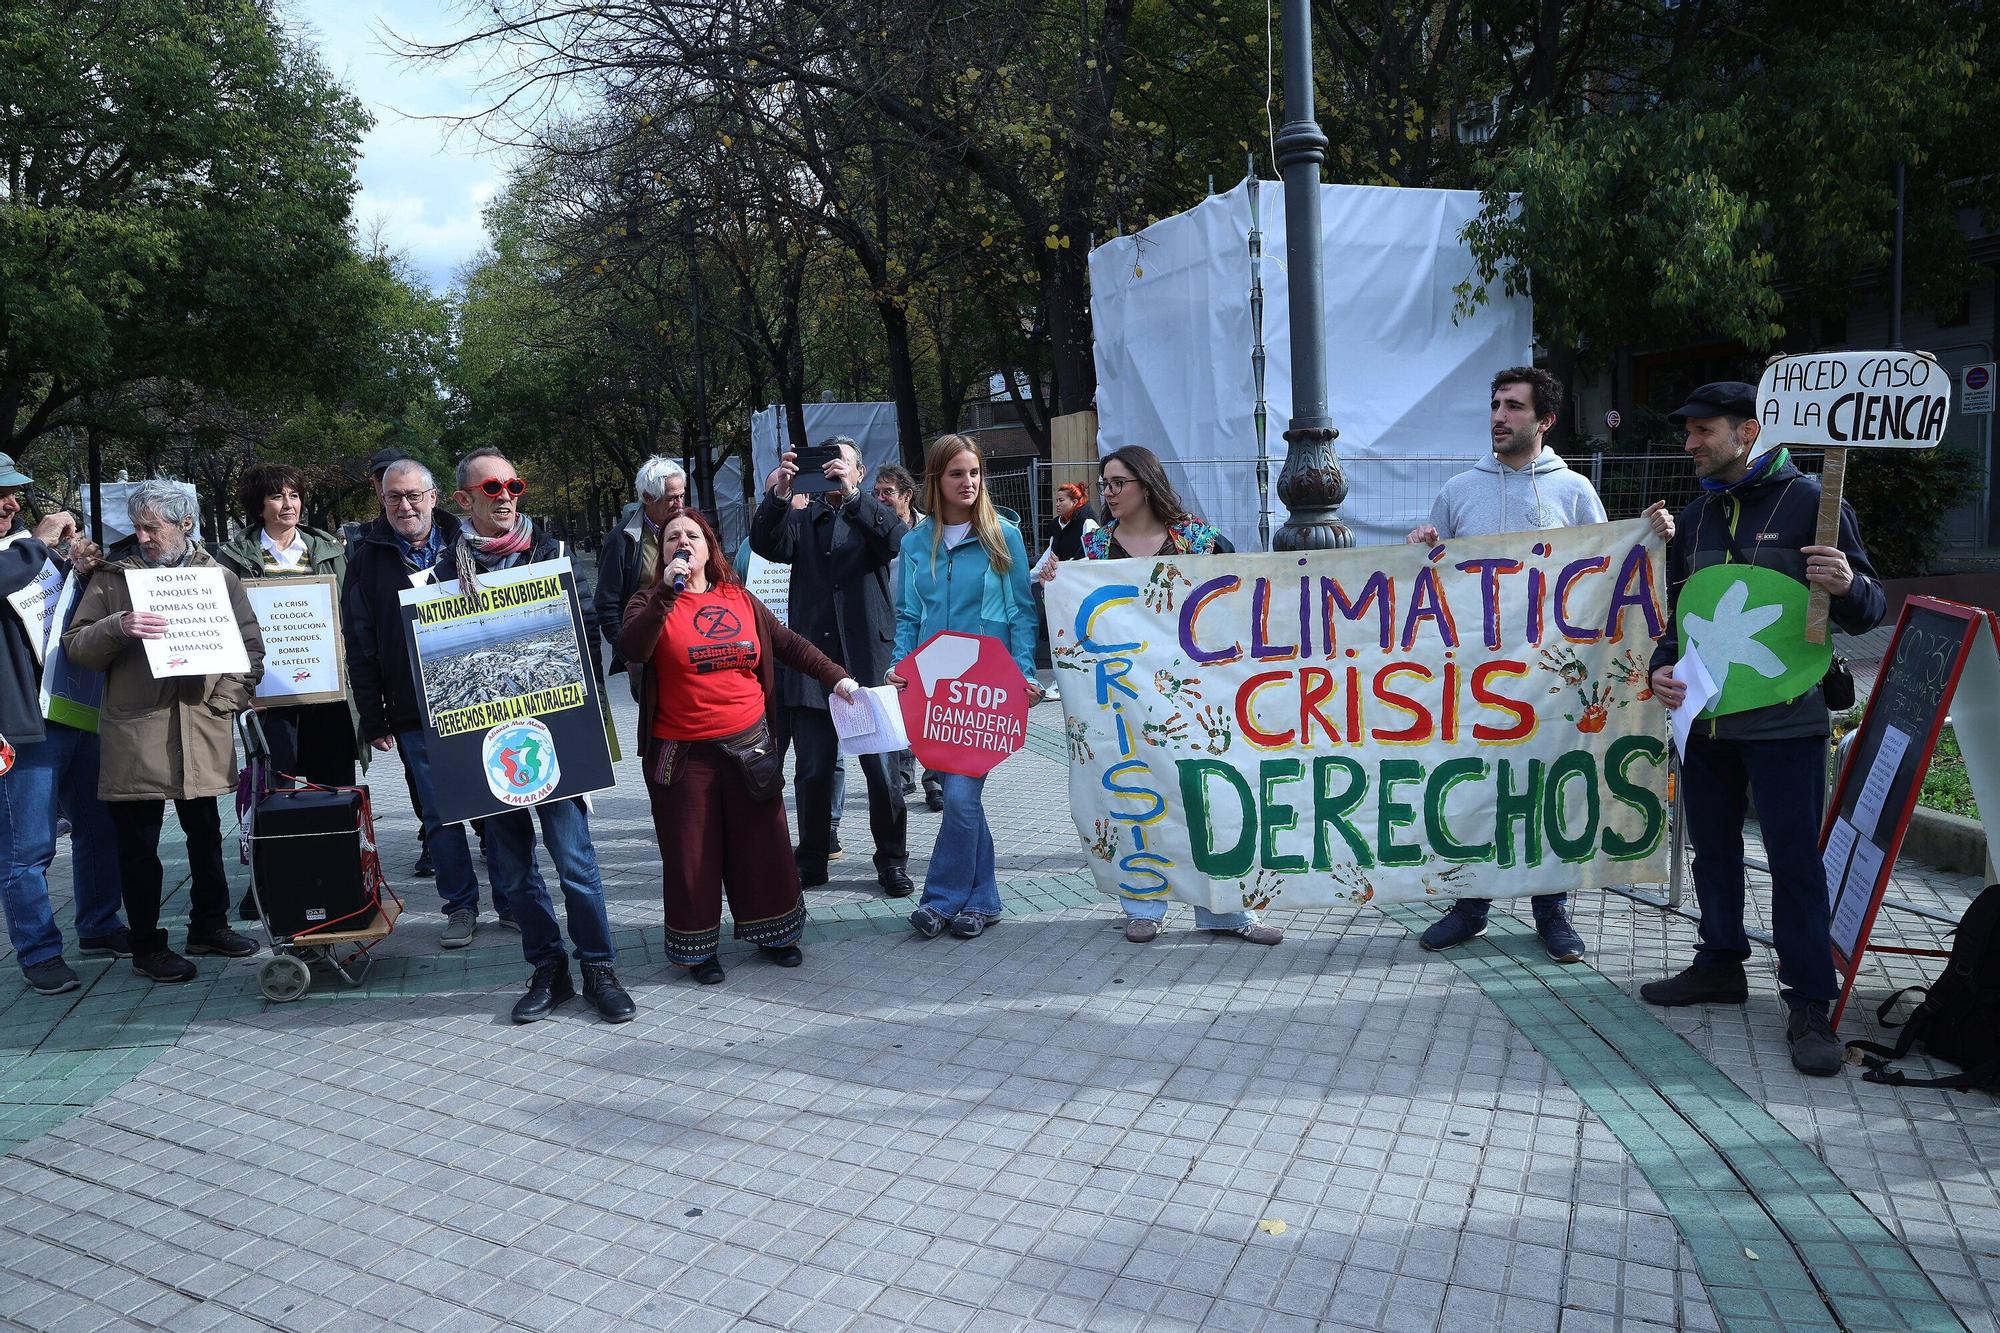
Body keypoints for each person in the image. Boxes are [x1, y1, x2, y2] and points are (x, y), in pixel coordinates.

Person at [1641, 381, 1884, 1077]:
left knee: (1794, 864)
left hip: (1786, 719)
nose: (1689, 443)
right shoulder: (1695, 516)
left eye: (1702, 430)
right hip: (1707, 720)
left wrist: (1846, 584)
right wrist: (1662, 667)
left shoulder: (1815, 503)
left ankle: (1810, 1001)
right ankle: (1720, 961)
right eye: (1687, 431)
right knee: (1711, 852)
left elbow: (1870, 608)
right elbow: (1679, 617)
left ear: (1749, 430)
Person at [1404, 366, 1671, 964]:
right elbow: (1435, 579)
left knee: (1550, 788)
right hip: (1477, 678)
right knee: (1477, 789)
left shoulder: (1573, 491)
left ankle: (1552, 910)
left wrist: (1650, 537)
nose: (1499, 416)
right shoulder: (1457, 492)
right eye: (1495, 404)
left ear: (1544, 420)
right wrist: (1421, 546)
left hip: (1554, 678)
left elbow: (1608, 566)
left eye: (1514, 407)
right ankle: (1471, 906)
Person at [1040, 444, 1280, 945]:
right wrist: (1052, 582)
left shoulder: (1197, 539)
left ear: (1145, 484)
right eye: (1103, 484)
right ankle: (1143, 903)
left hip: (1195, 701)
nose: (1107, 493)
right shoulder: (1096, 549)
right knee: (1134, 795)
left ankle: (1226, 910)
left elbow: (1240, 593)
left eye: (1116, 483)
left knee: (1207, 799)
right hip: (1124, 702)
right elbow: (1068, 604)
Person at [430, 448, 633, 1024]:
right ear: (463, 499)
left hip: (555, 736)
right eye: (490, 487)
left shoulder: (555, 556)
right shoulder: (441, 574)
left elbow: (586, 643)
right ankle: (549, 969)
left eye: (513, 486)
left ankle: (599, 967)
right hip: (483, 745)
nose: (505, 496)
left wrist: (587, 732)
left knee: (576, 862)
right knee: (514, 873)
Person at [618, 508, 860, 983]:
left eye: (692, 535)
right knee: (692, 854)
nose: (682, 543)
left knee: (763, 847)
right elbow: (632, 647)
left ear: (710, 547)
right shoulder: (648, 600)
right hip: (683, 755)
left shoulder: (741, 598)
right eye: (671, 538)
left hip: (750, 747)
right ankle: (698, 949)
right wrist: (668, 591)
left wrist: (838, 678)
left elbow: (790, 644)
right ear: (661, 552)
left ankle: (777, 935)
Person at [64, 482, 262, 983]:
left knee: (206, 834)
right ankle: (148, 946)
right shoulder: (112, 579)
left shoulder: (220, 577)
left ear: (186, 524)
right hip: (137, 734)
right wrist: (119, 626)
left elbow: (250, 650)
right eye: (137, 527)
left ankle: (209, 925)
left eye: (153, 526)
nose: (143, 536)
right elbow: (77, 649)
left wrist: (222, 705)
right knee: (138, 845)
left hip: (201, 727)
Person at [343, 459, 514, 943]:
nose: (405, 505)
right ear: (383, 500)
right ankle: (459, 908)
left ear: (434, 497)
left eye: (414, 495)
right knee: (440, 817)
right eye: (394, 497)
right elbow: (360, 642)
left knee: (498, 806)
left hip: (480, 699)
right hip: (414, 711)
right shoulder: (366, 559)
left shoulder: (467, 546)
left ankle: (511, 898)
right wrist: (373, 718)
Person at [890, 434, 1039, 940]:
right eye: (957, 473)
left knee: (958, 796)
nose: (969, 482)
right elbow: (909, 615)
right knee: (963, 799)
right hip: (933, 692)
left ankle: (940, 900)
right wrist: (898, 666)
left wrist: (1024, 672)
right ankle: (983, 901)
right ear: (936, 480)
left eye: (975, 473)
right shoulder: (915, 543)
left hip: (986, 689)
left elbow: (1020, 612)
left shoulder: (1004, 536)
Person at [751, 437, 911, 897]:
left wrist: (856, 499)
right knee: (814, 770)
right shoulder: (802, 519)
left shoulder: (875, 515)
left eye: (844, 464)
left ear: (860, 473)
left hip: (868, 663)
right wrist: (779, 494)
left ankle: (892, 861)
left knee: (881, 773)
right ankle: (813, 857)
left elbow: (895, 542)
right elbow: (765, 544)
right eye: (827, 465)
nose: (835, 472)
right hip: (813, 666)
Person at [0, 464, 130, 995]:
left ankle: (99, 925)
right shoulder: (22, 551)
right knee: (27, 848)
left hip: (73, 710)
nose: (10, 503)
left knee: (100, 827)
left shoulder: (24, 549)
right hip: (19, 729)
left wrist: (78, 565)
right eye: (0, 494)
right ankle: (38, 951)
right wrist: (40, 541)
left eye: (14, 494)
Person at [217, 461, 362, 790]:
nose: (288, 504)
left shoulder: (327, 551)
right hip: (268, 695)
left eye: (294, 495)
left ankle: (333, 844)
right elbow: (225, 626)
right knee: (276, 791)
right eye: (276, 496)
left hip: (327, 693)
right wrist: (242, 687)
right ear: (259, 505)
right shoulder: (234, 557)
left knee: (333, 791)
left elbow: (349, 614)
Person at [595, 455, 688, 688]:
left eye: (682, 495)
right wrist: (629, 656)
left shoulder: (692, 530)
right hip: (650, 658)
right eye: (671, 498)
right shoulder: (622, 540)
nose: (680, 504)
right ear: (648, 498)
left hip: (692, 647)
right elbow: (606, 605)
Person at [872, 465, 931, 805]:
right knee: (898, 700)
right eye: (876, 493)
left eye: (887, 492)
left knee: (932, 700)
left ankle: (934, 776)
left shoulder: (928, 531)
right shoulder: (873, 532)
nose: (880, 499)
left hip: (928, 625)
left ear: (907, 496)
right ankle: (903, 770)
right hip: (889, 628)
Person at [1030, 482, 1099, 704]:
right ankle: (1061, 680)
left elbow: (1093, 555)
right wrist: (1027, 577)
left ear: (1076, 502)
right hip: (1058, 590)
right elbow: (1050, 555)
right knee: (1058, 634)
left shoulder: (1087, 523)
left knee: (1076, 635)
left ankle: (1068, 683)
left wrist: (1066, 569)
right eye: (1056, 500)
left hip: (1079, 590)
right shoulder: (1057, 526)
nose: (1057, 504)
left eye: (1062, 500)